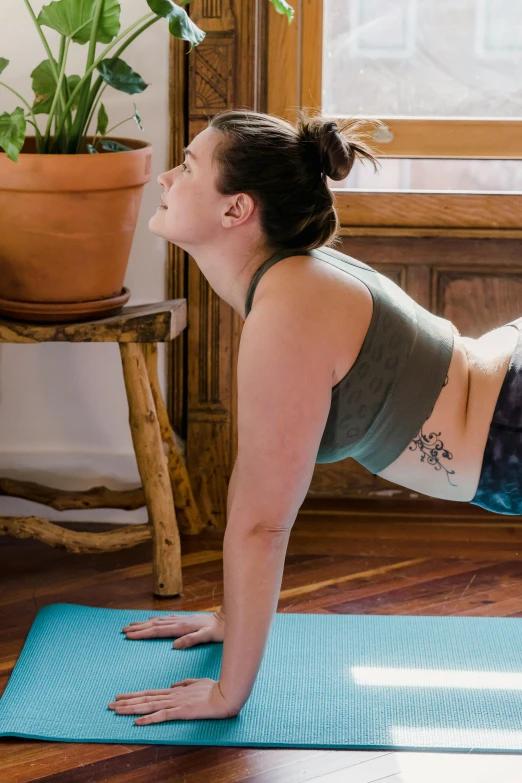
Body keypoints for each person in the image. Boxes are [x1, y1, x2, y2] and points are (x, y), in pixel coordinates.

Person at [107, 108, 522, 726]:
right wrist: (231, 618)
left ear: (236, 209)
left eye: (189, 166)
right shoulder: (291, 283)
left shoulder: (288, 310)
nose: (166, 178)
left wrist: (227, 694)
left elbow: (261, 527)